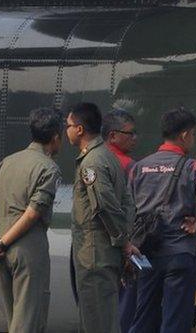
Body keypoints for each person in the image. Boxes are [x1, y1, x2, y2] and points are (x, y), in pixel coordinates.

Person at [129, 107, 196, 333]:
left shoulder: (139, 168)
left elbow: (127, 210)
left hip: (145, 254)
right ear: (184, 135)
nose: (193, 139)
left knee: (142, 318)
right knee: (175, 323)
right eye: (193, 134)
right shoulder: (193, 167)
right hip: (179, 254)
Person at [0, 107, 63, 332]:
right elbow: (33, 213)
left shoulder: (6, 162)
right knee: (29, 321)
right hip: (28, 250)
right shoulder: (48, 168)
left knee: (14, 318)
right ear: (55, 137)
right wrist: (0, 244)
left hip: (2, 252)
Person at [67, 102, 138, 333]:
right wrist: (125, 238)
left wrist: (123, 242)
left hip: (94, 255)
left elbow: (105, 206)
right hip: (105, 254)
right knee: (106, 319)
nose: (65, 130)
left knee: (96, 322)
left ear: (79, 129)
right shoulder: (109, 157)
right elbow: (127, 203)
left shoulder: (92, 162)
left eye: (68, 125)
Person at [102, 108, 139, 331]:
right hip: (123, 243)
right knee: (126, 304)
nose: (135, 138)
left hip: (99, 247)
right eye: (130, 133)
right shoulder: (128, 165)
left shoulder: (91, 161)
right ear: (113, 135)